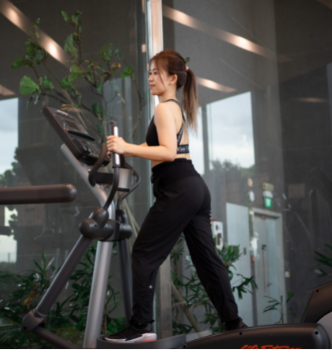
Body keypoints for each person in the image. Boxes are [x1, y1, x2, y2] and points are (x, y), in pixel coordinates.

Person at [103, 50, 246, 343]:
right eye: (150, 72)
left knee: (143, 253)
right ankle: (234, 324)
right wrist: (123, 148)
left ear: (172, 78)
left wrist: (126, 147)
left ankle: (139, 326)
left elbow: (167, 152)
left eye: (156, 72)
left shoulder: (163, 109)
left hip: (178, 189)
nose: (151, 78)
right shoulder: (173, 107)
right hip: (193, 188)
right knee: (207, 261)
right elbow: (158, 145)